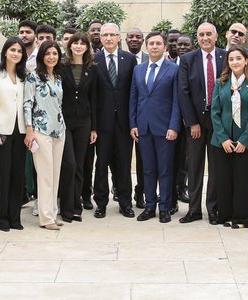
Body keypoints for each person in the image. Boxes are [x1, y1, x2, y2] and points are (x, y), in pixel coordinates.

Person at [177, 23, 225, 224]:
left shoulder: (225, 57)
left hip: (218, 123)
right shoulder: (188, 59)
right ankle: (194, 209)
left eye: (208, 34)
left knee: (215, 168)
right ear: (197, 38)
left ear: (216, 36)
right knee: (195, 167)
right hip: (196, 122)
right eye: (201, 34)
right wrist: (192, 122)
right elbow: (183, 91)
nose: (205, 38)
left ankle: (213, 209)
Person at [211, 46, 248, 227]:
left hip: (246, 142)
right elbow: (215, 112)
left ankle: (242, 218)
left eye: (238, 58)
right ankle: (225, 215)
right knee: (224, 180)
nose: (234, 62)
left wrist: (244, 140)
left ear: (246, 61)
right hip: (222, 141)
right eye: (231, 59)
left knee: (244, 180)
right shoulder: (221, 82)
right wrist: (223, 138)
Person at [131, 32, 181, 223]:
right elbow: (134, 98)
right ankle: (149, 206)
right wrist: (133, 124)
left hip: (165, 128)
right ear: (146, 46)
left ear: (165, 47)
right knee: (148, 170)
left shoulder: (173, 69)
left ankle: (165, 207)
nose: (154, 46)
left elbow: (177, 101)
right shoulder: (138, 69)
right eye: (151, 43)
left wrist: (174, 126)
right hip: (143, 128)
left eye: (158, 43)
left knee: (165, 170)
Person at [93, 23, 137, 218]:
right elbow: (91, 95)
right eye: (105, 35)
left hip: (123, 123)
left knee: (124, 164)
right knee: (101, 164)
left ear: (119, 37)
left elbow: (133, 92)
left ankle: (125, 203)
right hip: (102, 123)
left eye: (112, 35)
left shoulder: (129, 59)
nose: (109, 38)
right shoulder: (93, 60)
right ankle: (101, 203)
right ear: (100, 38)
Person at [25, 40, 66, 230]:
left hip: (59, 130)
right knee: (45, 175)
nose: (51, 57)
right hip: (41, 130)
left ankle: (53, 213)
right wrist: (29, 131)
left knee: (56, 175)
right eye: (48, 53)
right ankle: (46, 218)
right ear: (42, 56)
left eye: (55, 53)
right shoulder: (34, 77)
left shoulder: (57, 77)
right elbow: (27, 104)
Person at [0, 37, 27, 230]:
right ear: (5, 52)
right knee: (1, 176)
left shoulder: (24, 76)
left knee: (17, 176)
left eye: (19, 51)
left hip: (20, 131)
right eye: (12, 50)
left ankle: (15, 218)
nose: (16, 54)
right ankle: (1, 219)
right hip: (1, 131)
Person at [58, 31, 98, 223]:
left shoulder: (93, 68)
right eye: (76, 43)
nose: (79, 46)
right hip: (64, 121)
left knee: (80, 165)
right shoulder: (61, 66)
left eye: (83, 43)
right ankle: (65, 206)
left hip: (84, 122)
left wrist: (93, 128)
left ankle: (76, 207)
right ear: (70, 46)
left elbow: (95, 98)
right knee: (69, 164)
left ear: (87, 47)